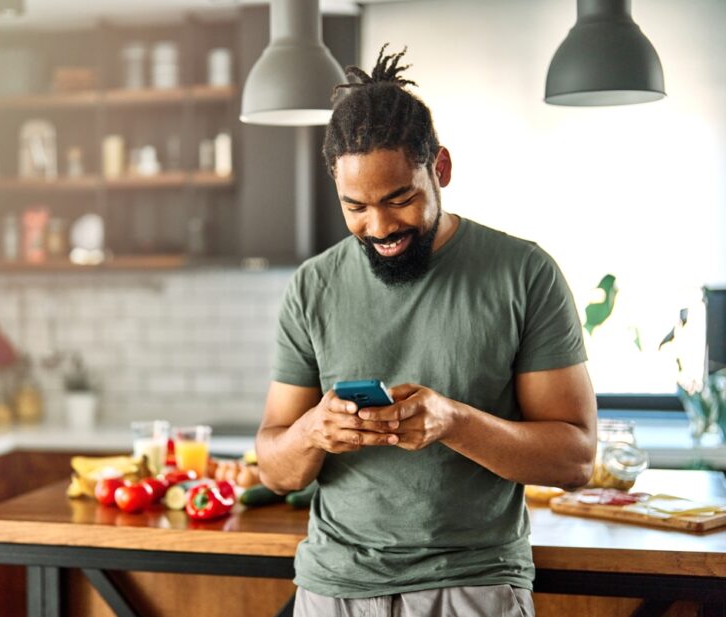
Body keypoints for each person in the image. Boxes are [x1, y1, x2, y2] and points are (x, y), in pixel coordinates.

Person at [256, 44, 597, 617]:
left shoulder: (523, 272)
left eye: (400, 199)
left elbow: (574, 460)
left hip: (473, 585)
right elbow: (273, 464)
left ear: (440, 168)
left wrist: (453, 422)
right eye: (355, 207)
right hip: (333, 588)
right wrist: (314, 432)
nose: (380, 226)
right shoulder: (313, 286)